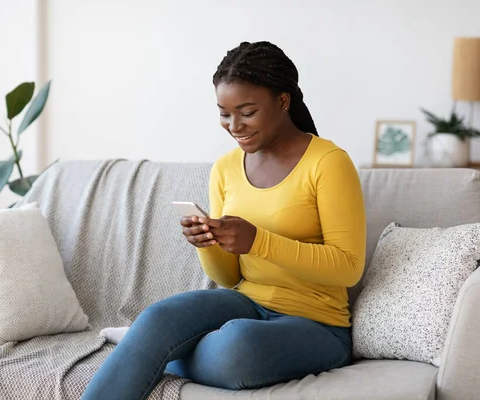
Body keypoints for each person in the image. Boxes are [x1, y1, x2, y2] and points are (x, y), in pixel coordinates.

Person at [81, 41, 366, 400]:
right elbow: (229, 277)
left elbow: (348, 268)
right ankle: (148, 342)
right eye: (224, 113)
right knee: (158, 318)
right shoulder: (226, 168)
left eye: (247, 111)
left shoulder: (328, 162)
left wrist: (258, 241)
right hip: (247, 301)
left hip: (317, 325)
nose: (234, 125)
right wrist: (209, 244)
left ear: (283, 102)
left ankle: (144, 350)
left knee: (234, 346)